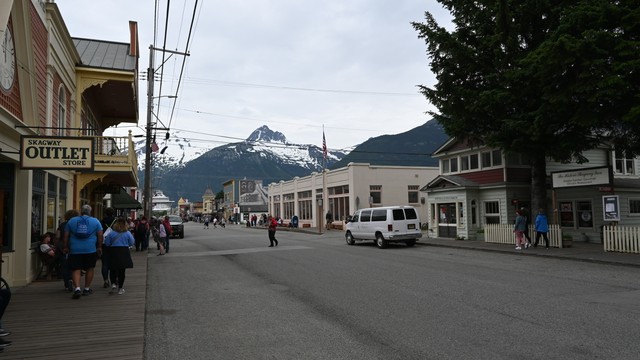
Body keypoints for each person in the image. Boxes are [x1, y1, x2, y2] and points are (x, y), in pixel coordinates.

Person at [63, 204, 103, 299]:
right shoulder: (95, 221)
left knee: (76, 268)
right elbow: (100, 235)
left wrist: (65, 246)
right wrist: (99, 246)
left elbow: (66, 236)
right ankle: (86, 288)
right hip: (90, 249)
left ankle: (77, 288)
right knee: (90, 268)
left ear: (81, 211)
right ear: (90, 212)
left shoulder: (72, 221)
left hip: (75, 249)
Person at [103, 217, 135, 295]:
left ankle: (113, 283)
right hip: (124, 251)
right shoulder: (127, 233)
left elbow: (107, 243)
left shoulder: (112, 233)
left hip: (113, 251)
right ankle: (120, 288)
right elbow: (132, 242)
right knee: (122, 271)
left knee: (112, 269)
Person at [56, 209, 79, 291]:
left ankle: (67, 283)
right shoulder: (77, 225)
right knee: (74, 266)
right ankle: (73, 281)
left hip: (63, 248)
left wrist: (58, 246)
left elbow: (58, 236)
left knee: (65, 266)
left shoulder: (62, 225)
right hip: (74, 247)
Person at [100, 207, 116, 288]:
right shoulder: (116, 221)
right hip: (115, 244)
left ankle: (106, 280)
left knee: (105, 263)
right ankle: (114, 279)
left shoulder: (101, 222)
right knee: (115, 263)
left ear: (105, 213)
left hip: (104, 244)